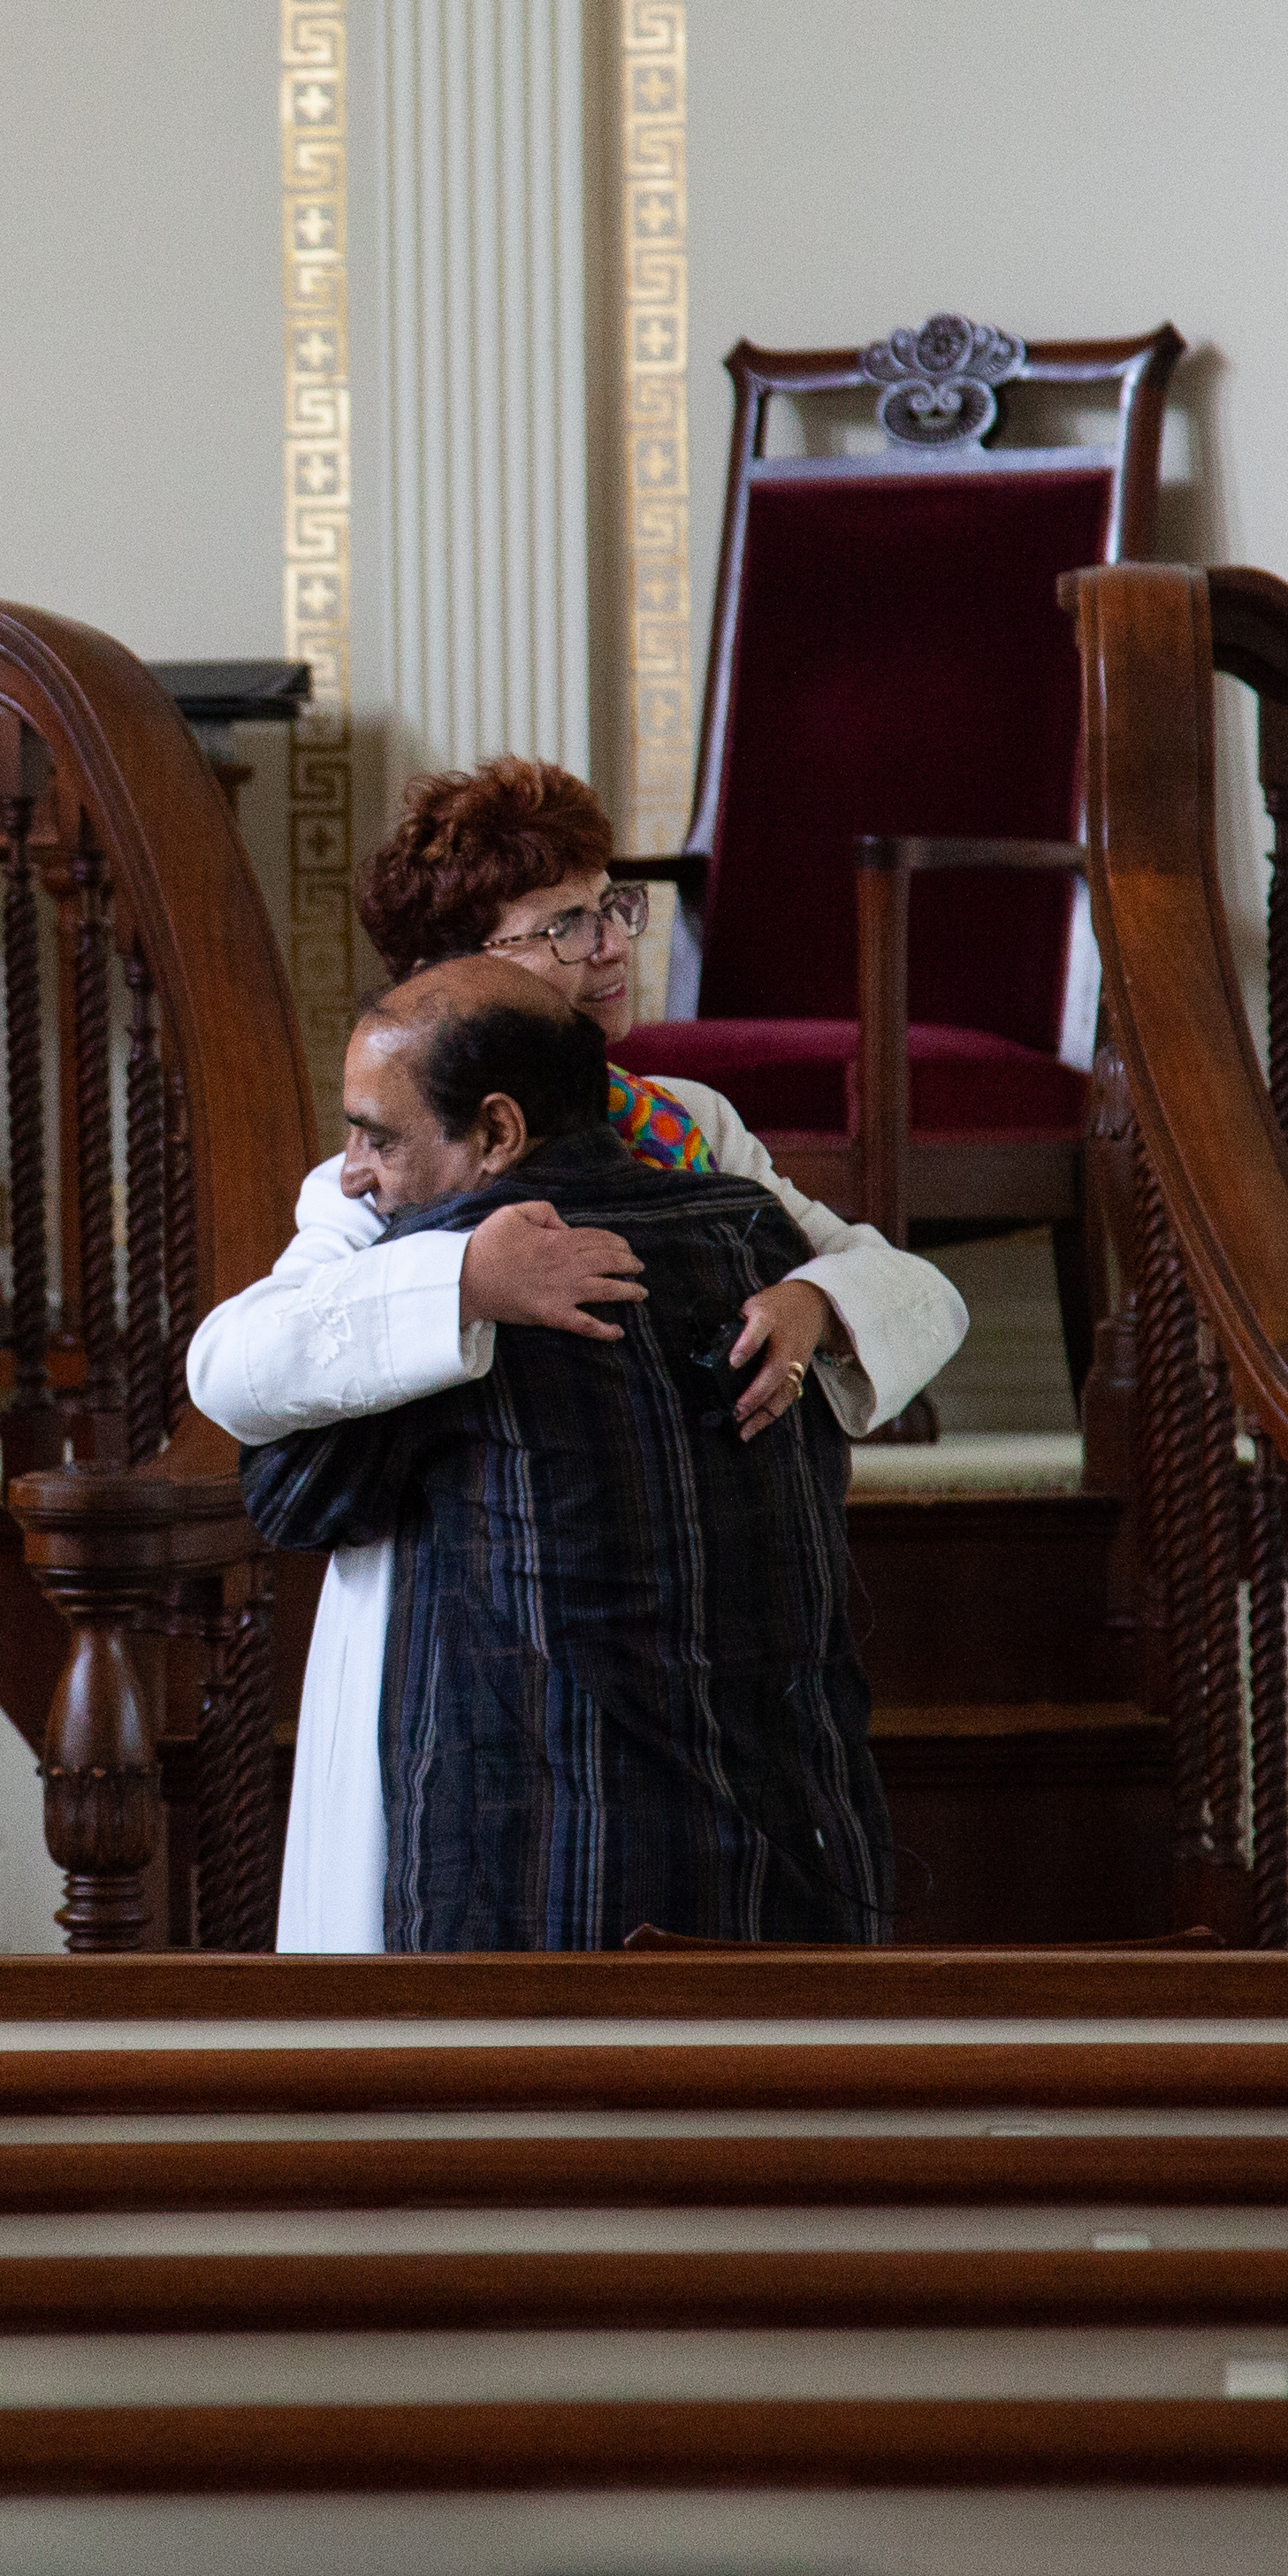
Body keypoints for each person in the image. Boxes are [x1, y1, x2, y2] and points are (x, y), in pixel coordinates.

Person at [185, 753, 964, 1951]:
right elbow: (238, 1366)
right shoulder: (379, 1173)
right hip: (447, 1644)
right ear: (464, 977)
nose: (610, 946)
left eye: (614, 907)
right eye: (563, 925)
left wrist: (813, 1300)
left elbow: (915, 1292)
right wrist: (467, 1277)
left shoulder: (688, 1126)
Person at [237, 959, 891, 1948]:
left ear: (496, 1131)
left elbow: (286, 1495)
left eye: (376, 1137)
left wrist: (427, 1291)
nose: (353, 1174)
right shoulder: (760, 1238)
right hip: (798, 1852)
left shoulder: (462, 1266)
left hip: (551, 1882)